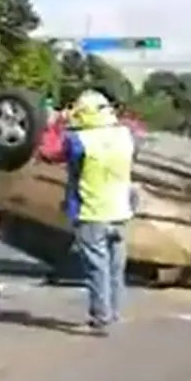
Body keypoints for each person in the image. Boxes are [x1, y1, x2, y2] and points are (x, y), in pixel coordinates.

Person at [56, 90, 137, 335]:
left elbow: (51, 153)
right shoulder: (125, 135)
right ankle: (113, 313)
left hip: (92, 211)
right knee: (115, 267)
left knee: (96, 268)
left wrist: (61, 122)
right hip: (120, 210)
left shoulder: (79, 141)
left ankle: (100, 317)